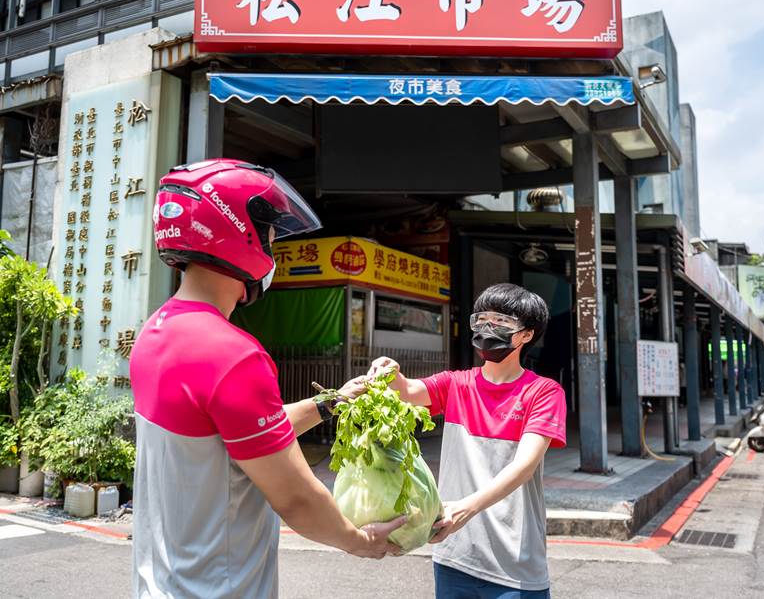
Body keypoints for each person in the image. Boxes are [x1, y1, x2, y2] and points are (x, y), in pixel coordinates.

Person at [130, 160, 405, 599]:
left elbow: (233, 438)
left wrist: (330, 401)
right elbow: (295, 497)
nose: (273, 247)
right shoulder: (232, 354)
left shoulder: (157, 331)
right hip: (219, 590)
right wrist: (361, 541)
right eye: (271, 235)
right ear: (239, 232)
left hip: (160, 584)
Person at [371, 283, 566, 599]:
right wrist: (389, 370)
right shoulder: (456, 383)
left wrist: (466, 508)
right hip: (454, 557)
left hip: (515, 564)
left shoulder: (543, 392)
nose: (490, 328)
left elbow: (524, 466)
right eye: (484, 319)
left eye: (502, 321)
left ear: (526, 335)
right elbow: (406, 390)